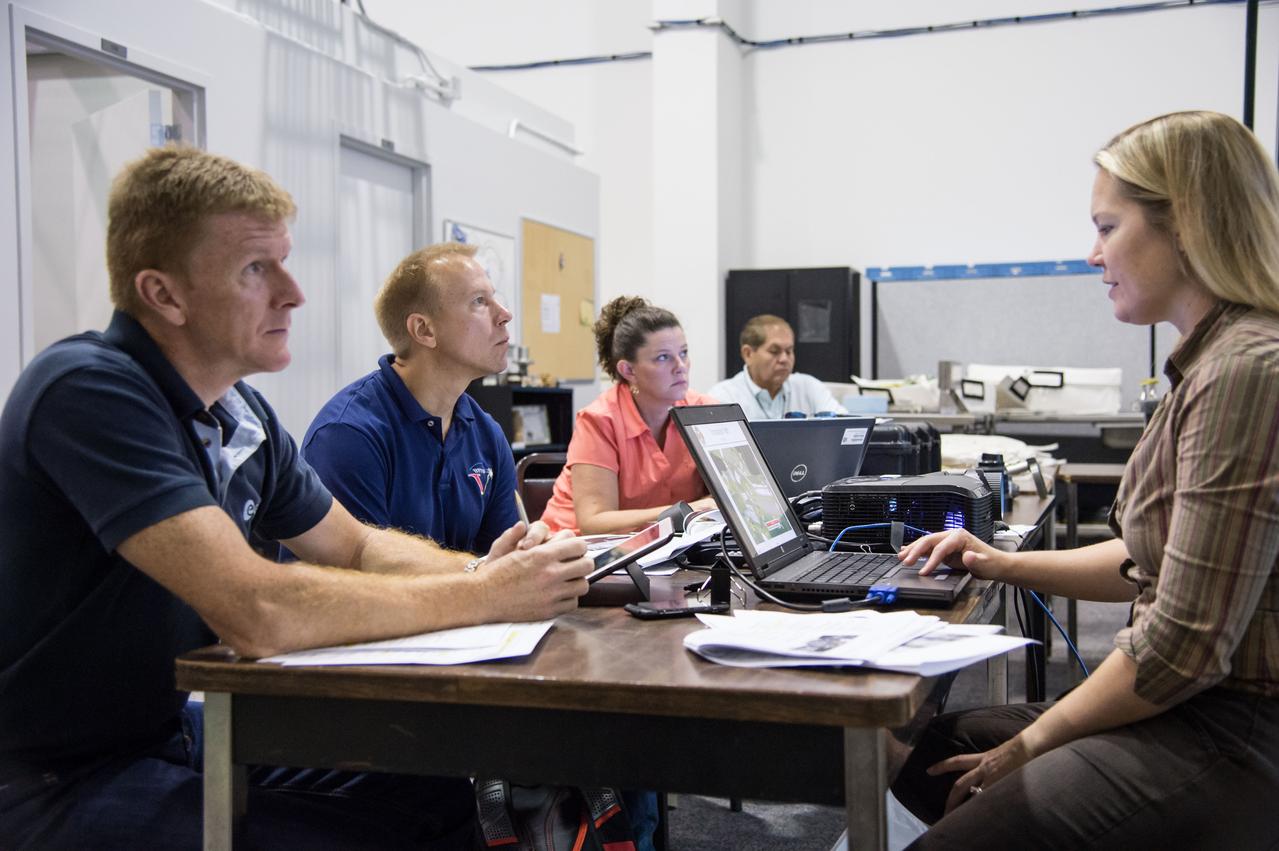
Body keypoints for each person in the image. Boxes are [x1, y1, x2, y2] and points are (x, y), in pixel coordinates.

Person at [0, 146, 592, 849]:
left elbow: (357, 544)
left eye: (284, 261)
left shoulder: (236, 410)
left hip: (161, 734)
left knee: (434, 793)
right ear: (164, 294)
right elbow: (258, 608)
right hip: (49, 776)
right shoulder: (87, 389)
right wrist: (491, 594)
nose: (293, 292)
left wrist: (485, 574)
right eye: (257, 268)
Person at [890, 111, 1279, 849]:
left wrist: (1027, 747)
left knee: (959, 801)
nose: (1092, 253)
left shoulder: (1245, 372)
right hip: (1192, 702)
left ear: (1185, 223)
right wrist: (995, 560)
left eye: (1107, 226)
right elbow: (1148, 557)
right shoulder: (1213, 362)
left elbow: (1183, 646)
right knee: (932, 754)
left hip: (1231, 728)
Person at [302, 242, 517, 555]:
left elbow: (504, 562)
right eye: (480, 301)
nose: (505, 314)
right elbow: (364, 586)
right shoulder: (348, 435)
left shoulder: (487, 435)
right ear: (424, 329)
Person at [539, 296, 717, 535]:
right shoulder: (600, 419)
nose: (680, 366)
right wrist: (688, 510)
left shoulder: (705, 410)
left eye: (683, 353)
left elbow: (737, 494)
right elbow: (594, 522)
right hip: (579, 549)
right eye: (663, 357)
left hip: (661, 549)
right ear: (628, 370)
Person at [707, 314, 846, 419]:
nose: (784, 359)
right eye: (774, 351)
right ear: (748, 354)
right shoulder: (723, 398)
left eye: (789, 351)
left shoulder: (809, 387)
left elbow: (844, 427)